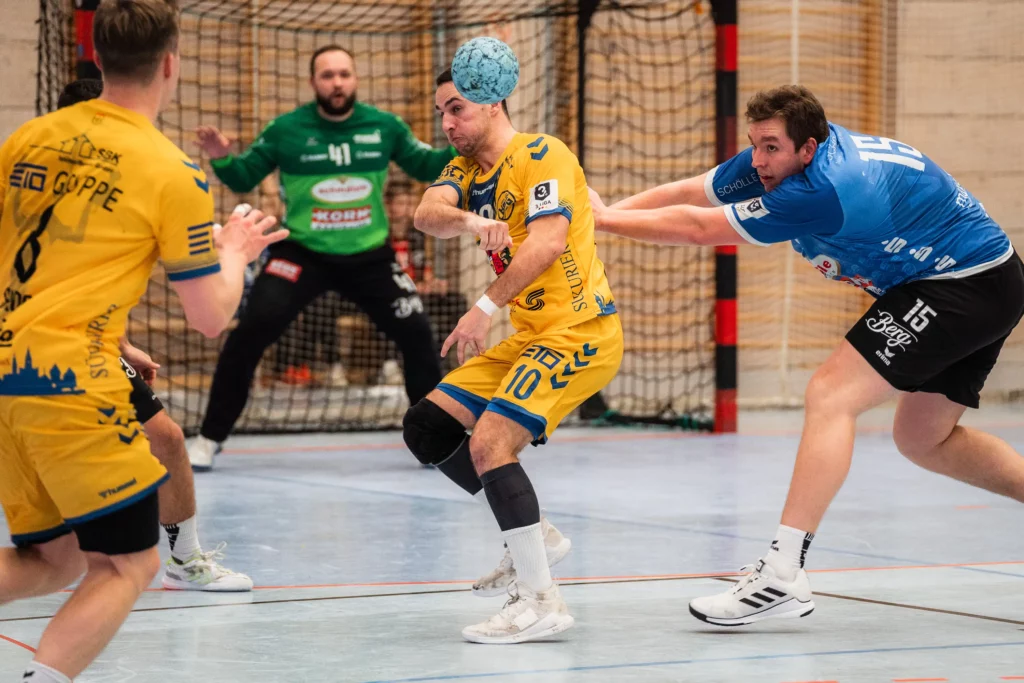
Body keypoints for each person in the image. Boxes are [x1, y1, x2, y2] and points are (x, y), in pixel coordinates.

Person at [589, 85, 1024, 626]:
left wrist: (601, 222)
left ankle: (783, 573)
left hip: (964, 284)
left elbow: (700, 228)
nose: (758, 160)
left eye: (770, 147)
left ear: (809, 148)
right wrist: (602, 217)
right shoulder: (779, 158)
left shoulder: (824, 189)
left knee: (830, 394)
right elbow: (695, 192)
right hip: (982, 279)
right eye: (755, 145)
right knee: (922, 439)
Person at [0, 0, 286, 680]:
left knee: (56, 559)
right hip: (71, 380)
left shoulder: (26, 139)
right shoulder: (171, 170)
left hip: (8, 370)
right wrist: (236, 251)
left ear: (97, 57)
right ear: (170, 63)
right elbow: (210, 316)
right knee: (128, 563)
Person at [404, 68, 623, 644]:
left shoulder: (543, 154)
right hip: (531, 336)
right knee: (426, 427)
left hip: (579, 331)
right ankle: (536, 533)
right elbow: (425, 214)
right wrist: (470, 219)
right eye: (442, 112)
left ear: (493, 103)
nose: (447, 123)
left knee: (489, 443)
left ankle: (540, 600)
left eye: (457, 108)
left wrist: (482, 307)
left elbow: (548, 243)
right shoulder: (464, 170)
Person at [188, 45, 455, 470]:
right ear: (313, 82)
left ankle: (433, 442)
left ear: (355, 79)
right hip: (302, 254)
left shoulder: (384, 127)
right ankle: (209, 438)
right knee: (250, 331)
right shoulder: (285, 130)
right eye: (327, 75)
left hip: (369, 256)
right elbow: (243, 175)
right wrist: (221, 157)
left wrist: (465, 138)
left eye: (344, 74)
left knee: (418, 334)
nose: (337, 83)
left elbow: (427, 166)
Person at [56, 77, 252, 592]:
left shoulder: (116, 185)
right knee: (59, 559)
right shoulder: (46, 187)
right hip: (41, 348)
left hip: (83, 344)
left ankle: (184, 560)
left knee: (164, 438)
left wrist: (120, 345)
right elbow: (209, 318)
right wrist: (234, 255)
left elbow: (91, 286)